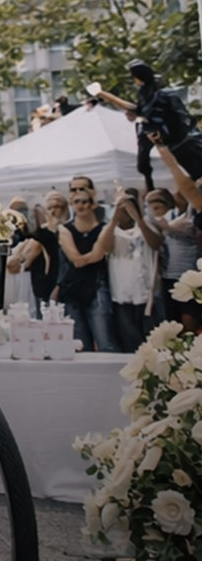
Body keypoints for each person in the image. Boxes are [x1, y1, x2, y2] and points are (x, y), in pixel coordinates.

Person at [92, 60, 202, 187]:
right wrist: (104, 94)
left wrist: (104, 94)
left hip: (184, 141)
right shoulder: (150, 94)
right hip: (179, 142)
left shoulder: (159, 96)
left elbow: (141, 110)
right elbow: (137, 110)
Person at [56, 187, 118, 353]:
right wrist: (90, 256)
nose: (81, 205)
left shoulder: (104, 228)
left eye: (85, 201)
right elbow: (76, 259)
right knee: (80, 345)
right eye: (77, 202)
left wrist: (89, 257)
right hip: (72, 289)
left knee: (105, 342)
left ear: (92, 205)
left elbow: (100, 253)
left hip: (97, 287)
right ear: (72, 205)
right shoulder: (65, 229)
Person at [106, 187, 163, 351]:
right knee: (129, 339)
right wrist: (114, 219)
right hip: (121, 294)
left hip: (146, 294)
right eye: (121, 209)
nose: (125, 212)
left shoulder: (146, 226)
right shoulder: (111, 230)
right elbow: (104, 247)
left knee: (149, 338)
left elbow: (156, 243)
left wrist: (139, 220)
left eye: (128, 208)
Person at [147, 187, 201, 330]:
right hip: (167, 274)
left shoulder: (190, 217)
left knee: (189, 316)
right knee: (173, 318)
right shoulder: (170, 216)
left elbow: (170, 228)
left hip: (188, 274)